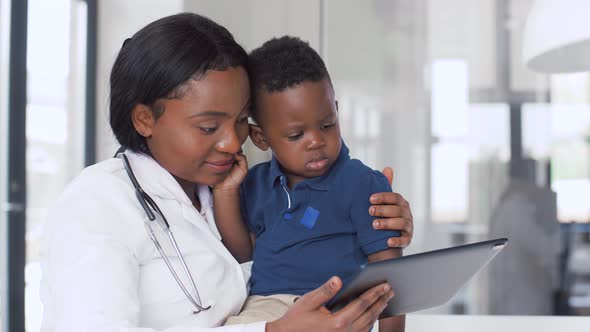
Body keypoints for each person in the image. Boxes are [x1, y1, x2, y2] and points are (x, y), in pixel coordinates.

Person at [40, 13, 414, 332]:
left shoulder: (231, 190)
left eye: (238, 122)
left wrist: (379, 222)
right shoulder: (96, 205)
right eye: (208, 127)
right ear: (144, 119)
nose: (232, 144)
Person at [213, 36, 405, 331]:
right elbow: (242, 255)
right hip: (267, 309)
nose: (316, 141)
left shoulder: (362, 183)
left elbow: (390, 274)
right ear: (261, 138)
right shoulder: (256, 184)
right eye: (295, 135)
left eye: (327, 124)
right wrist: (226, 193)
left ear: (337, 110)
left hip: (336, 310)